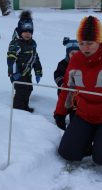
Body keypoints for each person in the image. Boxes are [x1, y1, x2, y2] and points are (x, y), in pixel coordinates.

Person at [54, 15, 102, 165]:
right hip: (84, 114)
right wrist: (60, 112)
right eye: (81, 43)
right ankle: (89, 138)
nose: (85, 48)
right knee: (67, 152)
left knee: (100, 158)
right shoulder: (76, 60)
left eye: (90, 43)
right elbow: (68, 87)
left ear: (99, 41)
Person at [7, 10, 43, 113]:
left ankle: (24, 107)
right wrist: (14, 73)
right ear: (19, 32)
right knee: (21, 91)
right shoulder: (15, 44)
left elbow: (35, 58)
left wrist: (38, 71)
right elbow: (11, 59)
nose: (27, 34)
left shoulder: (32, 44)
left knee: (28, 89)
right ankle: (17, 110)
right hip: (17, 73)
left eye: (29, 32)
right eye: (25, 31)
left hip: (27, 73)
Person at [54, 37, 79, 125]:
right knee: (64, 105)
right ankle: (59, 116)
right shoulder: (63, 64)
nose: (75, 55)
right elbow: (57, 74)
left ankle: (74, 120)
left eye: (77, 53)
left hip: (77, 94)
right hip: (64, 90)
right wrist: (61, 83)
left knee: (75, 108)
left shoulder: (82, 65)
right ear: (68, 53)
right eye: (72, 53)